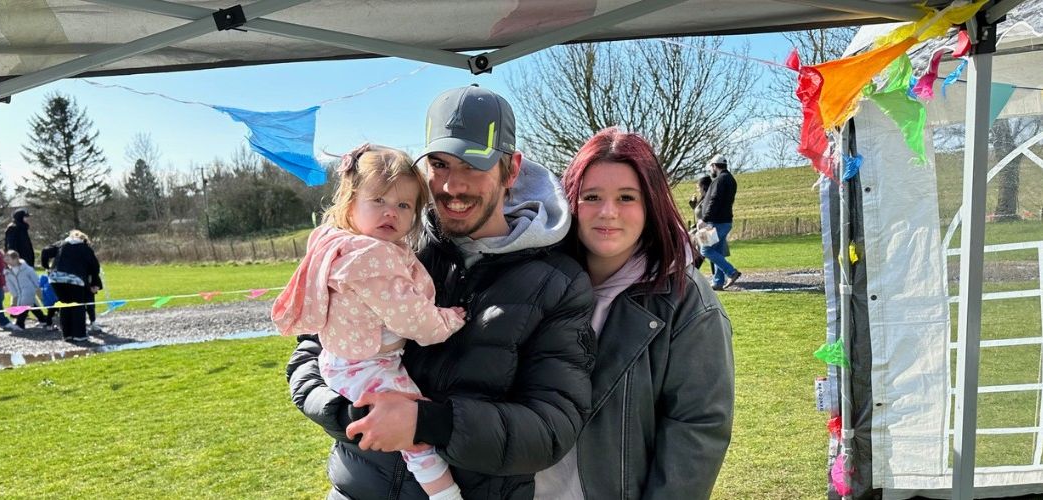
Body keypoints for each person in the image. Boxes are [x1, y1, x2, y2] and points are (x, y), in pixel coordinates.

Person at [286, 85, 595, 499]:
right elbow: (310, 354)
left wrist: (427, 424)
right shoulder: (388, 246)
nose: (452, 186)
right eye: (440, 164)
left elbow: (551, 427)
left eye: (473, 166)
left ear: (511, 170)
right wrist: (357, 414)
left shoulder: (557, 283)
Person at [534, 127, 734, 498]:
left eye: (626, 197)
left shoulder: (689, 304)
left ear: (651, 204)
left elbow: (697, 428)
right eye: (591, 197)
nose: (607, 212)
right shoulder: (536, 281)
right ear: (571, 202)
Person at [273, 144, 468, 500]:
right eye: (378, 200)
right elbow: (415, 321)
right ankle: (445, 494)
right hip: (366, 366)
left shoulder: (343, 244)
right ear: (350, 203)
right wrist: (450, 319)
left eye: (403, 205)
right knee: (414, 426)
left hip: (342, 361)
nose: (390, 212)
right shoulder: (370, 259)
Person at [48, 229, 102, 342]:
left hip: (55, 278)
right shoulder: (85, 248)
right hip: (74, 279)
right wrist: (94, 283)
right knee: (78, 306)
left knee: (64, 305)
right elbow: (95, 267)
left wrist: (46, 266)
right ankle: (79, 335)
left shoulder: (61, 245)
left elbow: (45, 252)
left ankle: (67, 334)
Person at [699, 154, 741, 290]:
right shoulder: (730, 179)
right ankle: (718, 282)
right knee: (717, 251)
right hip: (725, 221)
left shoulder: (719, 180)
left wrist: (704, 219)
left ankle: (731, 272)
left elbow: (714, 200)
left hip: (714, 222)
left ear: (714, 166)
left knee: (705, 249)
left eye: (711, 167)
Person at [3, 250, 51, 329]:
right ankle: (43, 319)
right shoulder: (7, 272)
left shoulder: (28, 269)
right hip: (19, 293)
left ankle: (19, 324)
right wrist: (14, 296)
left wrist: (38, 290)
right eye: (6, 260)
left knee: (24, 305)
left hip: (29, 291)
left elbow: (36, 280)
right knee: (32, 305)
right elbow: (10, 284)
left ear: (16, 259)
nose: (7, 262)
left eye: (9, 259)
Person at [687, 175, 713, 269]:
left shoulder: (708, 199)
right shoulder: (703, 199)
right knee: (701, 251)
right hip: (700, 229)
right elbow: (700, 212)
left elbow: (706, 213)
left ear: (703, 187)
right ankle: (693, 269)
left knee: (703, 251)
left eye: (698, 187)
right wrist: (694, 205)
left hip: (705, 229)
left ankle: (694, 269)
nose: (698, 190)